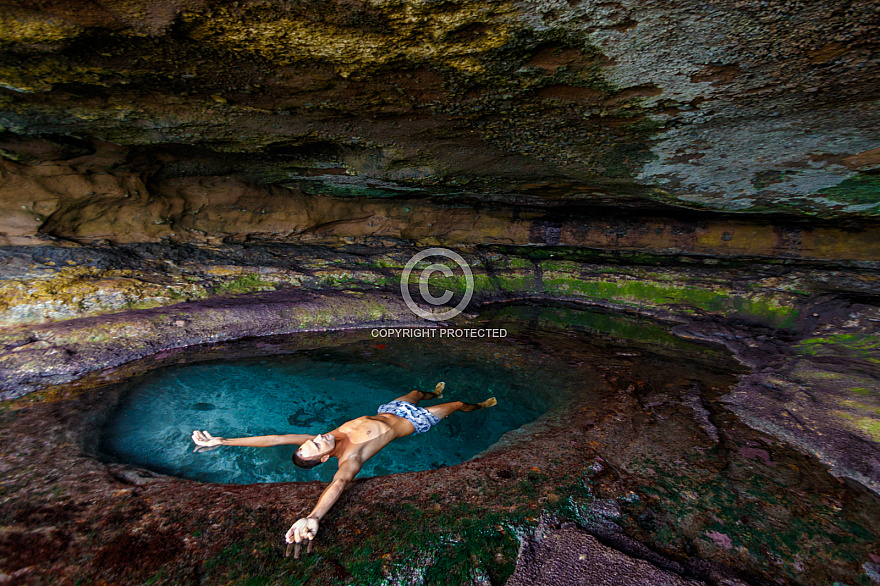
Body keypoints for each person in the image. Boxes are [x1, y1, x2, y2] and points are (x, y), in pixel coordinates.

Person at [190, 382, 497, 548]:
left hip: (389, 409)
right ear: (323, 458)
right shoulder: (350, 458)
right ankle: (479, 406)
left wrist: (221, 441)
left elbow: (275, 438)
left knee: (417, 391)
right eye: (315, 446)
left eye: (308, 442)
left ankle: (434, 391)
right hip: (415, 421)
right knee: (456, 405)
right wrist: (312, 517)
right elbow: (337, 484)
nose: (315, 439)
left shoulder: (327, 437)